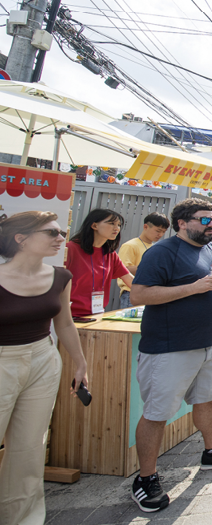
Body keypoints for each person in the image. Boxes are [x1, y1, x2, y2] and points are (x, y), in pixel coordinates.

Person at [129, 198, 212, 513]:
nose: (211, 224)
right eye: (204, 219)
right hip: (171, 346)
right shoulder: (161, 252)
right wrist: (191, 289)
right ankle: (145, 478)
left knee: (208, 400)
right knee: (157, 413)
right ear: (182, 223)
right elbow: (140, 293)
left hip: (209, 342)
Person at [0, 212, 88, 525]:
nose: (60, 239)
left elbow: (64, 322)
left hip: (43, 359)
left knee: (28, 449)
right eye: (51, 232)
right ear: (20, 238)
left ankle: (23, 519)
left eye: (62, 232)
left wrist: (80, 362)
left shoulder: (60, 276)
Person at [65, 209, 133, 317]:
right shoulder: (70, 249)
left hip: (97, 315)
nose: (117, 228)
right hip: (69, 316)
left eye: (119, 225)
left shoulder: (110, 254)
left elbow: (130, 280)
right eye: (111, 223)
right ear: (94, 225)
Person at [118, 212, 170, 309]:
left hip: (150, 294)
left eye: (163, 231)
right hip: (131, 292)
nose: (160, 234)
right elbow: (122, 270)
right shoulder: (130, 245)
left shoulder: (155, 247)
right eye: (158, 230)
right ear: (145, 227)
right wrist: (151, 268)